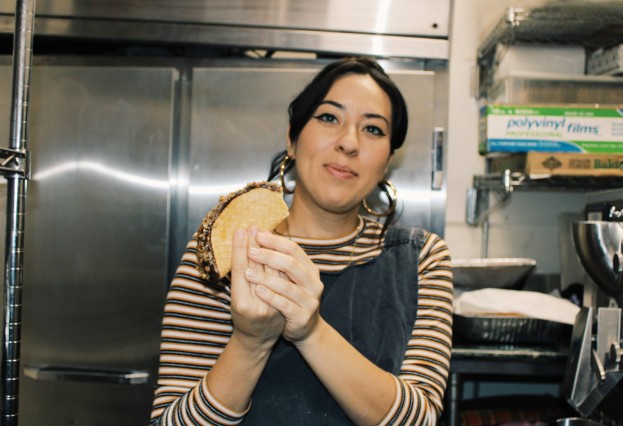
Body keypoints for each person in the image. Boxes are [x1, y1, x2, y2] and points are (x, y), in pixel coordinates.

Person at [150, 57, 453, 425]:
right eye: (329, 118)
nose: (349, 143)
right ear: (292, 139)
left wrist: (310, 331)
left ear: (387, 161)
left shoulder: (420, 259)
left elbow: (419, 420)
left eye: (373, 129)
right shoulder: (227, 248)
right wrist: (251, 341)